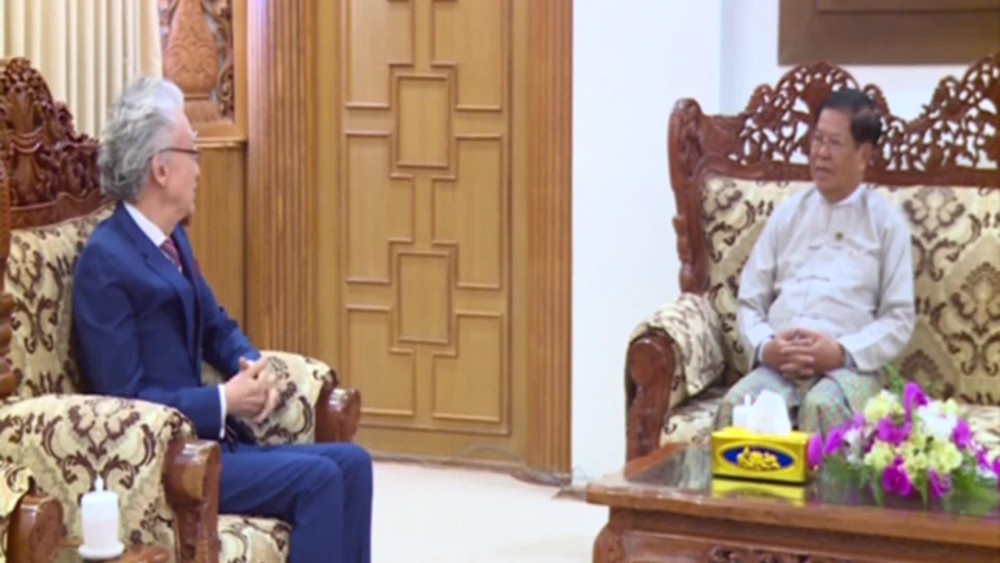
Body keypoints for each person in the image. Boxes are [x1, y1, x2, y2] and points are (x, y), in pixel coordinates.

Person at [72, 76, 372, 563]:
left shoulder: (173, 239)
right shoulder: (105, 261)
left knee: (353, 465)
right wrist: (222, 400)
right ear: (161, 169)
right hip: (170, 463)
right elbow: (123, 398)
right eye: (193, 154)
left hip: (216, 445)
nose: (199, 170)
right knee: (318, 480)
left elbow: (215, 325)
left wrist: (250, 365)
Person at [713, 89, 916, 436]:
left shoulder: (886, 223)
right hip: (781, 365)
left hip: (850, 369)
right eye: (817, 139)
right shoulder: (788, 214)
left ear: (863, 155)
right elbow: (750, 300)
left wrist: (841, 352)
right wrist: (766, 347)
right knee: (738, 405)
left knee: (823, 407)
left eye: (834, 143)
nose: (821, 152)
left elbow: (898, 318)